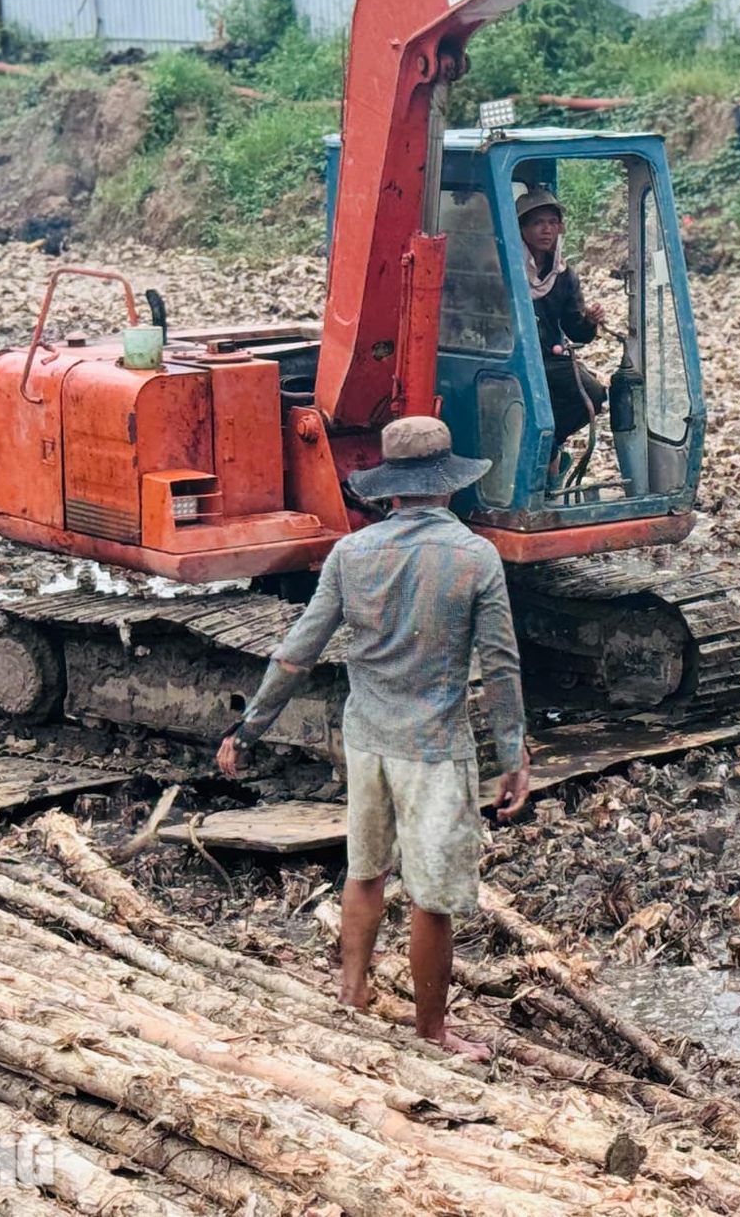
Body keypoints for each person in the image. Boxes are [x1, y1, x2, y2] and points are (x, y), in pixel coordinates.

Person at [216, 415, 531, 1061]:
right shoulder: (475, 558)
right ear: (447, 485)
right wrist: (513, 752)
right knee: (431, 896)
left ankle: (352, 990)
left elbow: (297, 653)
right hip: (435, 748)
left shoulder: (352, 555)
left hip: (367, 738)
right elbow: (500, 664)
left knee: (365, 870)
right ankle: (432, 1031)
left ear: (390, 490)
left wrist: (248, 730)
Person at [517, 188, 607, 456]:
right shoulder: (505, 268)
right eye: (538, 223)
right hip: (512, 357)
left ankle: (546, 448)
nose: (547, 230)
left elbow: (576, 331)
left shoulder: (564, 275)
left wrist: (589, 321)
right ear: (521, 229)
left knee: (592, 394)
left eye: (552, 223)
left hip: (549, 359)